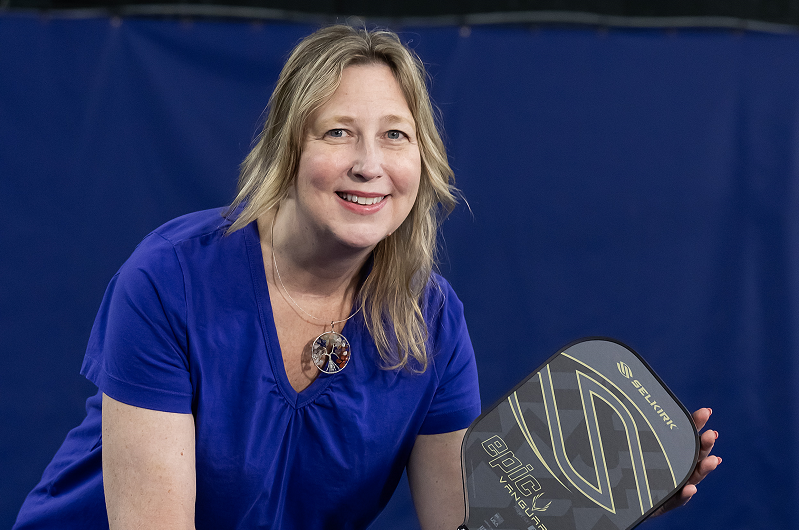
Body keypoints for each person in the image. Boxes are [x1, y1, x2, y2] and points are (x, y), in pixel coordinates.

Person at [13, 24, 719, 530]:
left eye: (395, 136)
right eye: (337, 132)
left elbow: (464, 524)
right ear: (287, 150)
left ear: (422, 162)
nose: (368, 164)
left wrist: (594, 508)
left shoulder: (432, 322)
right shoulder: (169, 279)